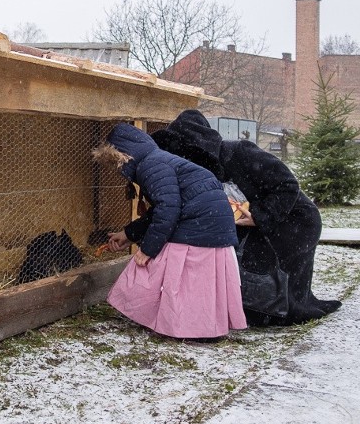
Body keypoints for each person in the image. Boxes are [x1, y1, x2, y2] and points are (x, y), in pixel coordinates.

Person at [151, 109, 341, 326]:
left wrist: (261, 216)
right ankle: (263, 311)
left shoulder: (240, 152)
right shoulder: (201, 171)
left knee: (286, 294)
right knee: (260, 278)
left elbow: (288, 185)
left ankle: (281, 311)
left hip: (294, 221)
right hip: (257, 224)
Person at [93, 123, 247, 339]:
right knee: (196, 281)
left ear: (124, 154)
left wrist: (147, 250)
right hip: (213, 221)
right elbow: (163, 209)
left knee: (157, 264)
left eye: (116, 163)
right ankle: (200, 326)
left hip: (199, 220)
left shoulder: (151, 165)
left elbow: (168, 208)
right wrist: (129, 234)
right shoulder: (158, 160)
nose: (118, 170)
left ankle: (176, 323)